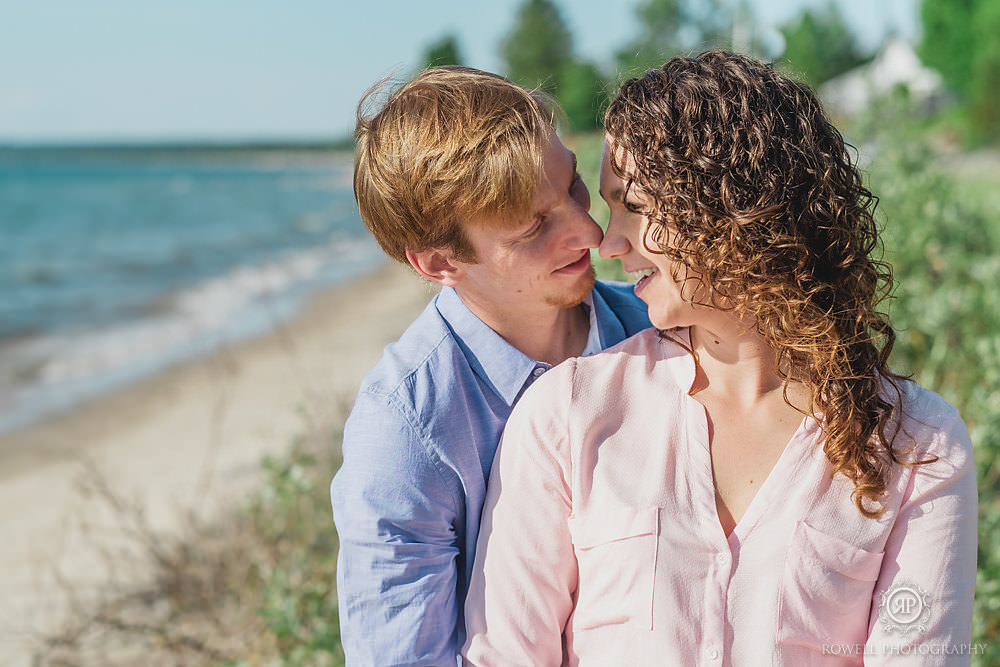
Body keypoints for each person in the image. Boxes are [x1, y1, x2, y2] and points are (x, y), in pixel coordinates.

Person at [463, 51, 977, 665]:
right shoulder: (566, 417)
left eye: (633, 204)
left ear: (734, 208)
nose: (608, 240)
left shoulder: (917, 443)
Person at [330, 66, 651, 665]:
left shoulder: (663, 329)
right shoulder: (404, 428)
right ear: (437, 262)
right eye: (534, 226)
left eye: (576, 188)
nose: (589, 232)